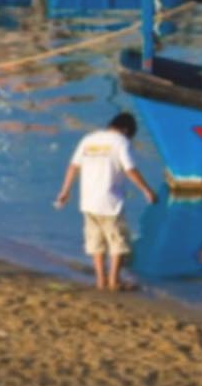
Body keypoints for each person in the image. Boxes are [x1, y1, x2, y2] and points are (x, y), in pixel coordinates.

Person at [53, 111, 158, 291]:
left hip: (88, 201)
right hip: (110, 203)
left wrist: (65, 191)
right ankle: (114, 281)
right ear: (126, 130)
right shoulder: (121, 142)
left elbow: (73, 166)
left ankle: (101, 280)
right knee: (118, 242)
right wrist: (147, 190)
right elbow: (130, 169)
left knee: (96, 242)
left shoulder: (89, 139)